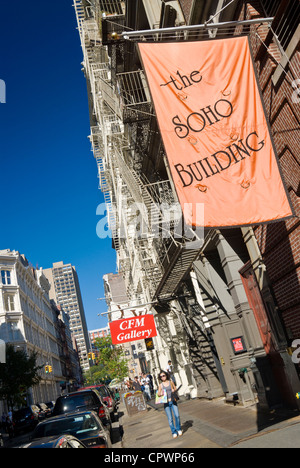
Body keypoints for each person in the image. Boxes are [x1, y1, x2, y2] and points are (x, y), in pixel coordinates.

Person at [157, 370, 182, 439]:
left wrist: (174, 390)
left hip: (173, 401)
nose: (162, 377)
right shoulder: (160, 385)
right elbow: (158, 393)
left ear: (166, 375)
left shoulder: (170, 382)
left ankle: (178, 429)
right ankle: (173, 432)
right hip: (166, 403)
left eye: (163, 375)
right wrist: (160, 393)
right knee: (170, 419)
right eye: (161, 376)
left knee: (177, 416)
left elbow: (175, 388)